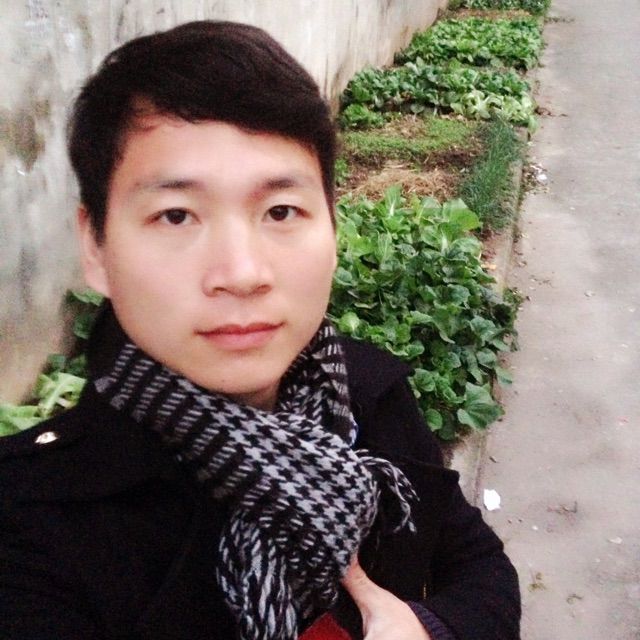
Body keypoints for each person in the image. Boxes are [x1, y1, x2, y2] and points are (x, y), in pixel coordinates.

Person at [0, 20, 520, 640]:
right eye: (176, 215)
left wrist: (433, 628)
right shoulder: (30, 525)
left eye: (280, 211)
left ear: (332, 224)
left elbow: (478, 564)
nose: (242, 273)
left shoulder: (365, 394)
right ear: (95, 246)